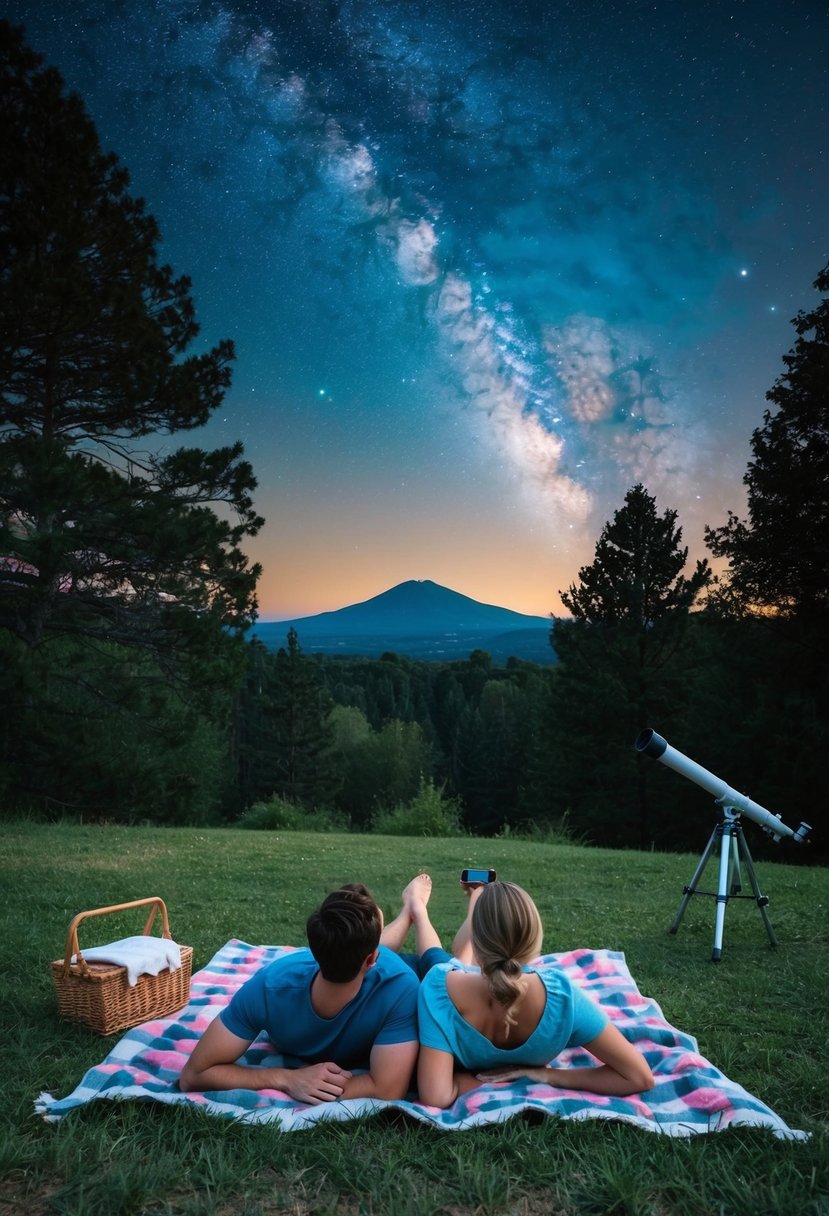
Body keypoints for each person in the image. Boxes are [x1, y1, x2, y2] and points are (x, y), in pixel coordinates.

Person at [411, 879, 655, 1109]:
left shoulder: (438, 988)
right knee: (455, 961)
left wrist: (469, 1080)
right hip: (472, 971)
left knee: (438, 958)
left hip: (458, 976)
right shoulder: (563, 998)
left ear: (478, 942)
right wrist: (544, 1075)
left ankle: (422, 909)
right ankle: (464, 901)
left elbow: (436, 1096)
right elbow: (638, 1077)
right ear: (534, 940)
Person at [180, 882, 420, 1105]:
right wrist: (286, 1079)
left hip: (383, 962)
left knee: (386, 949)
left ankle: (411, 909)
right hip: (368, 958)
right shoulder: (270, 986)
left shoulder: (400, 986)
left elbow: (388, 1089)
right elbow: (193, 1075)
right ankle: (408, 910)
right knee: (376, 946)